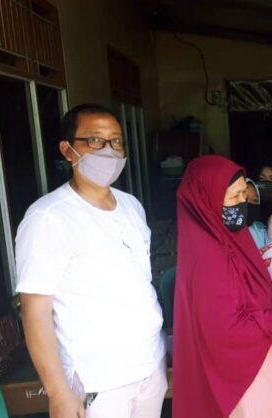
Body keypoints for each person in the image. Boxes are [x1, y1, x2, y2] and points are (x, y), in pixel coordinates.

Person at [16, 104, 167, 418]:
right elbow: (35, 311)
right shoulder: (48, 217)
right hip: (99, 379)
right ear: (67, 150)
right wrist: (57, 391)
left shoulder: (132, 206)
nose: (109, 150)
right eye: (95, 140)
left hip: (150, 364)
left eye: (116, 141)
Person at [173, 155, 272, 418]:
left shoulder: (234, 239)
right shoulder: (208, 258)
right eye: (234, 196)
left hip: (270, 368)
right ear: (207, 201)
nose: (243, 203)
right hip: (252, 377)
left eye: (245, 193)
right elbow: (224, 330)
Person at [245, 178, 268, 249]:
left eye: (255, 200)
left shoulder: (260, 230)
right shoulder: (224, 231)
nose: (249, 204)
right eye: (245, 199)